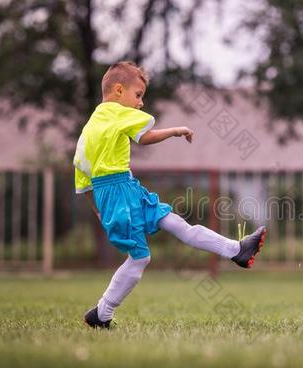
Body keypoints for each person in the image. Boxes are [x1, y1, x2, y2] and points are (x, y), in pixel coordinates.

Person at [73, 61, 266, 329]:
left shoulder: (87, 131)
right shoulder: (116, 113)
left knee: (177, 224)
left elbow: (82, 181)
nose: (141, 103)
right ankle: (102, 314)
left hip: (124, 191)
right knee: (140, 258)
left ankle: (238, 250)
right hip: (119, 195)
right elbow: (145, 137)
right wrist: (176, 131)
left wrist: (99, 210)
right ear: (118, 90)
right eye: (138, 95)